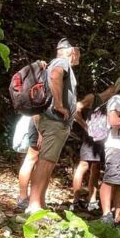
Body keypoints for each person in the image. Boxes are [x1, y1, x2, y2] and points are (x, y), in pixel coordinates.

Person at [25, 38, 80, 214]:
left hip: (52, 121)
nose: (79, 55)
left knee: (47, 162)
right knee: (46, 162)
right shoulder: (61, 62)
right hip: (55, 121)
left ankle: (40, 202)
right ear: (71, 51)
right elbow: (55, 75)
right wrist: (58, 105)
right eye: (77, 51)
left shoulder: (55, 63)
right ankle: (34, 205)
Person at [71, 84, 119, 210]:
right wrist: (86, 126)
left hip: (102, 139)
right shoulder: (93, 98)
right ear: (111, 89)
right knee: (83, 166)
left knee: (96, 168)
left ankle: (91, 200)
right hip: (90, 138)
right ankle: (75, 200)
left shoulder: (111, 103)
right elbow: (75, 110)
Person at [99, 75, 120, 224]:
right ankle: (106, 213)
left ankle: (118, 216)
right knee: (111, 179)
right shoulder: (116, 100)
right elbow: (113, 121)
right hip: (115, 145)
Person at [13, 114, 40, 210]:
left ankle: (28, 198)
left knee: (32, 161)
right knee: (30, 160)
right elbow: (36, 112)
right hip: (35, 125)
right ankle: (23, 197)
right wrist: (40, 132)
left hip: (32, 124)